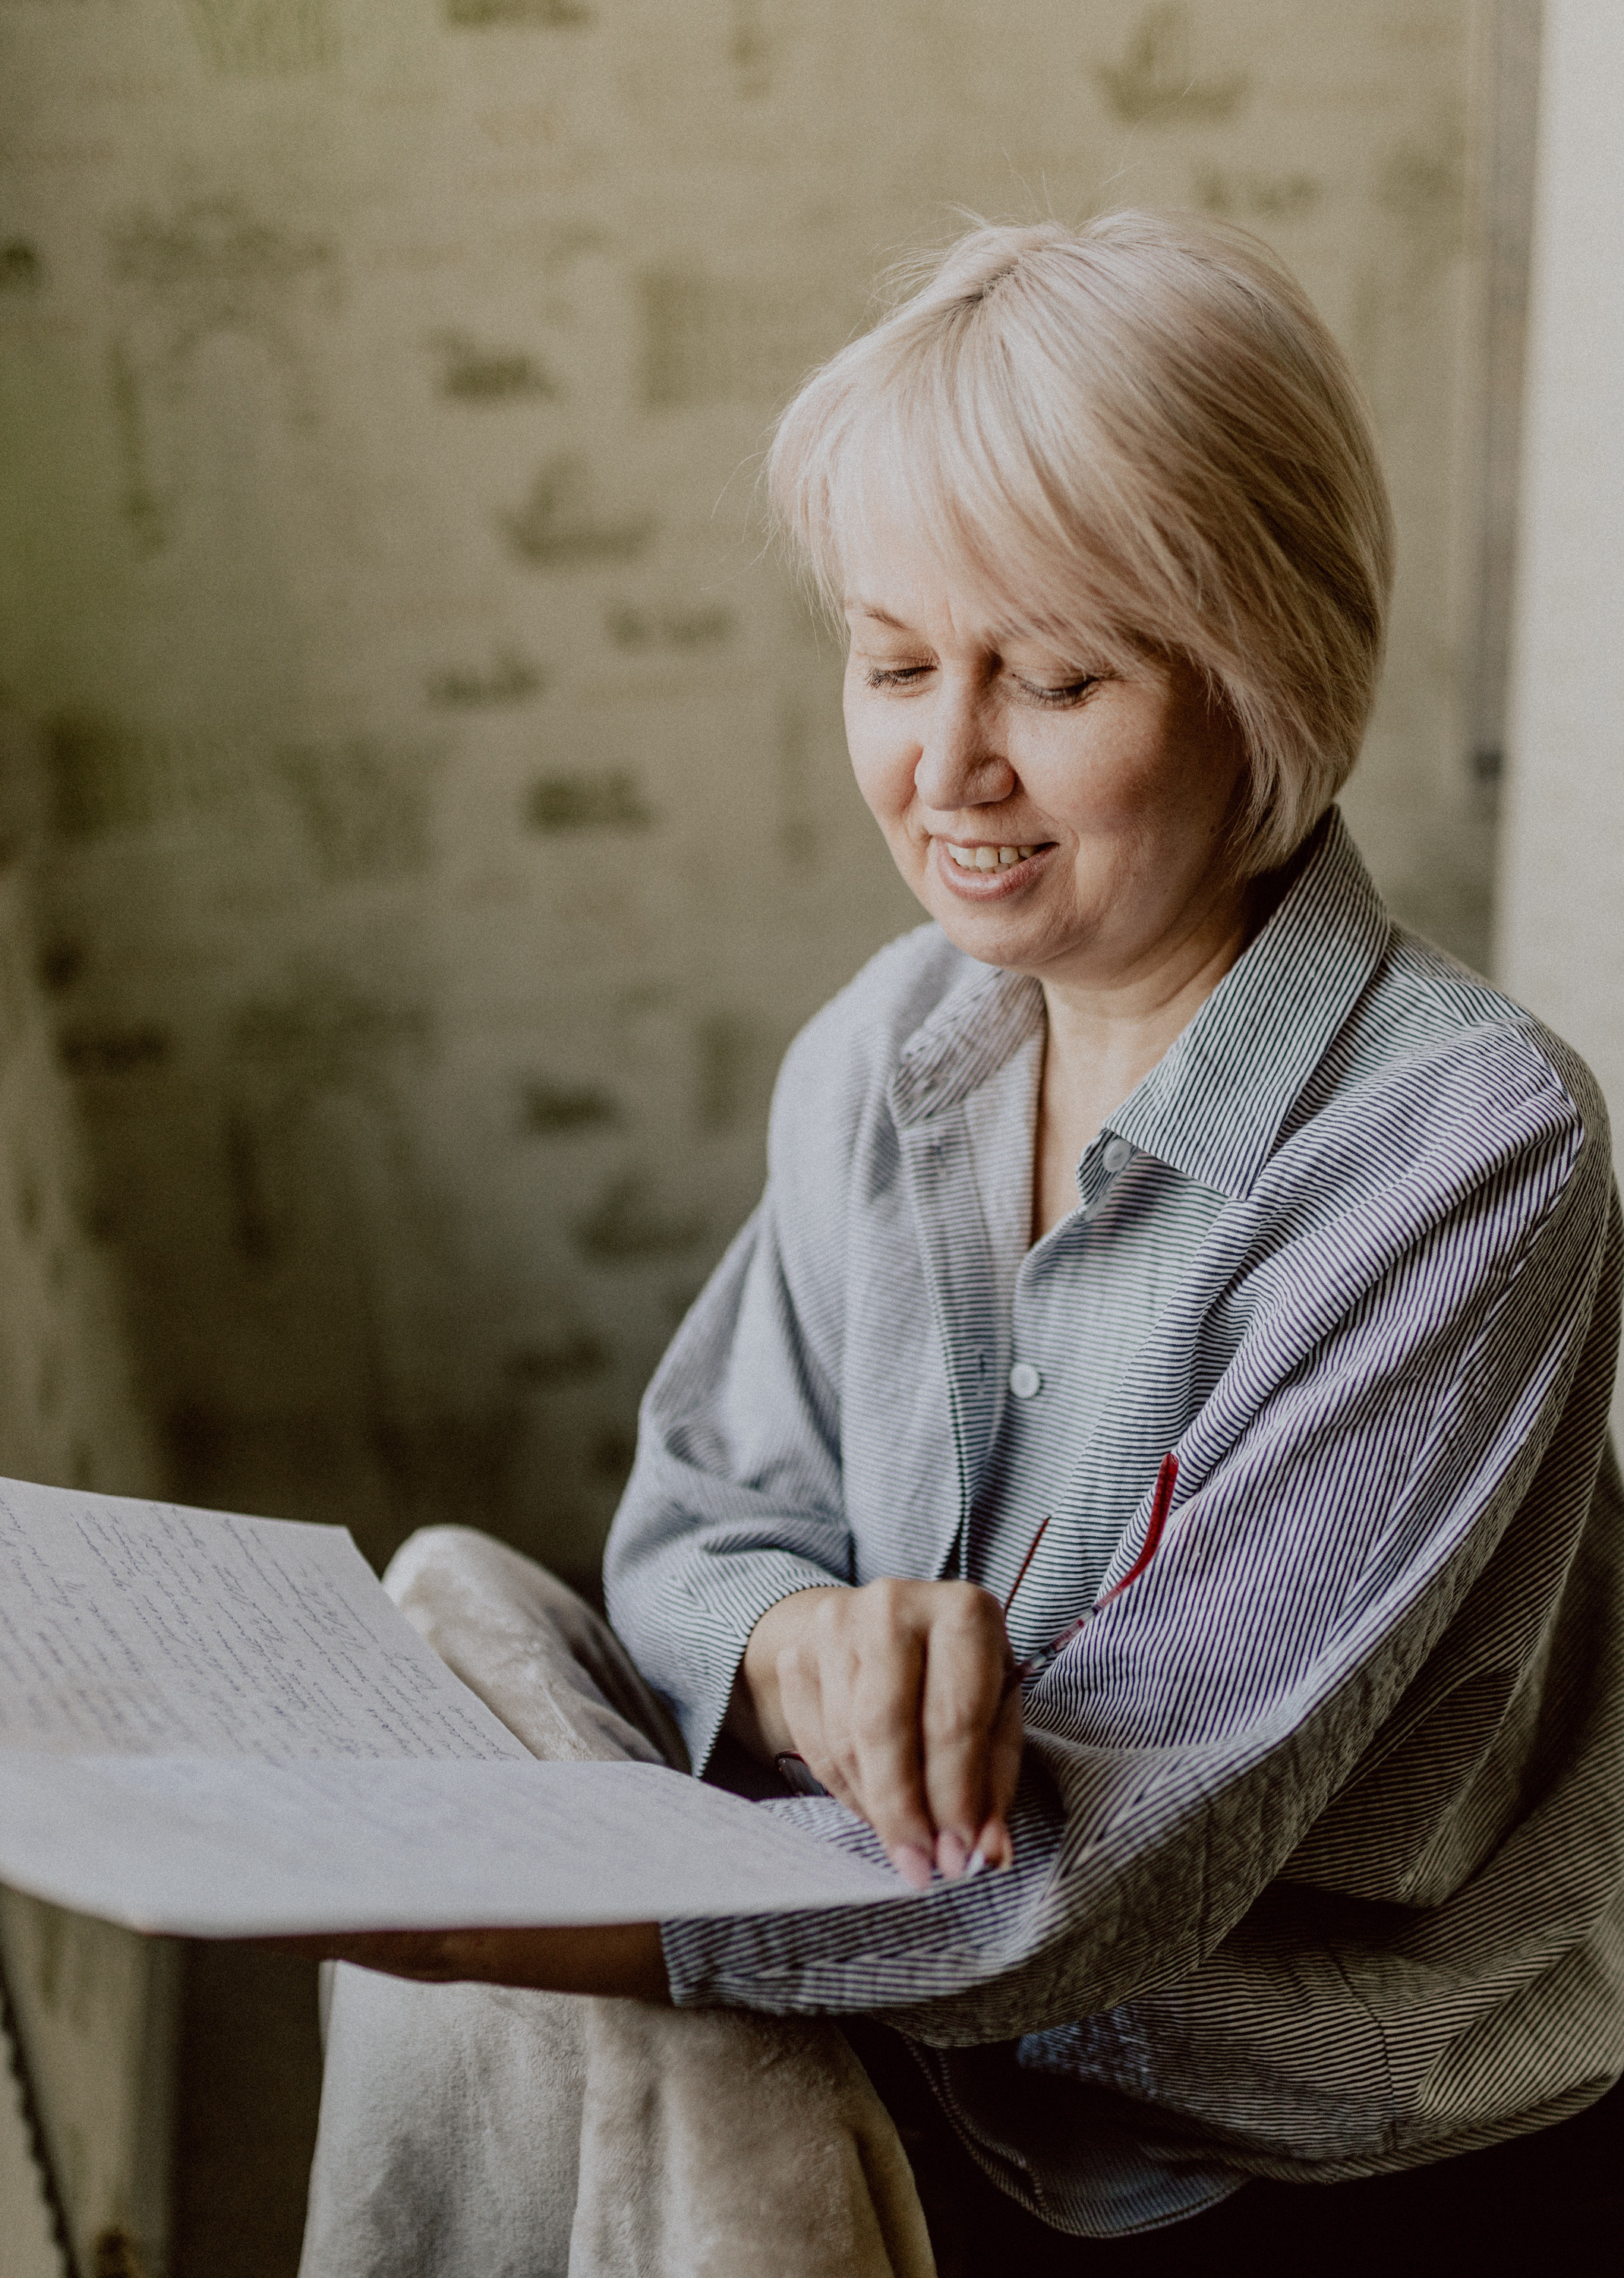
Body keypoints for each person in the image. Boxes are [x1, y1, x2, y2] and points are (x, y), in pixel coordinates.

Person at [298, 213, 1624, 2273]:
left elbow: (1113, 1865)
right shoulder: (888, 1045)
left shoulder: (1469, 1149)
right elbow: (702, 1509)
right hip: (951, 2036)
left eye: (1058, 678)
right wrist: (789, 1640)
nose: (943, 770)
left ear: (1265, 677)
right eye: (895, 662)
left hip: (1299, 2145)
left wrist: (470, 1919)